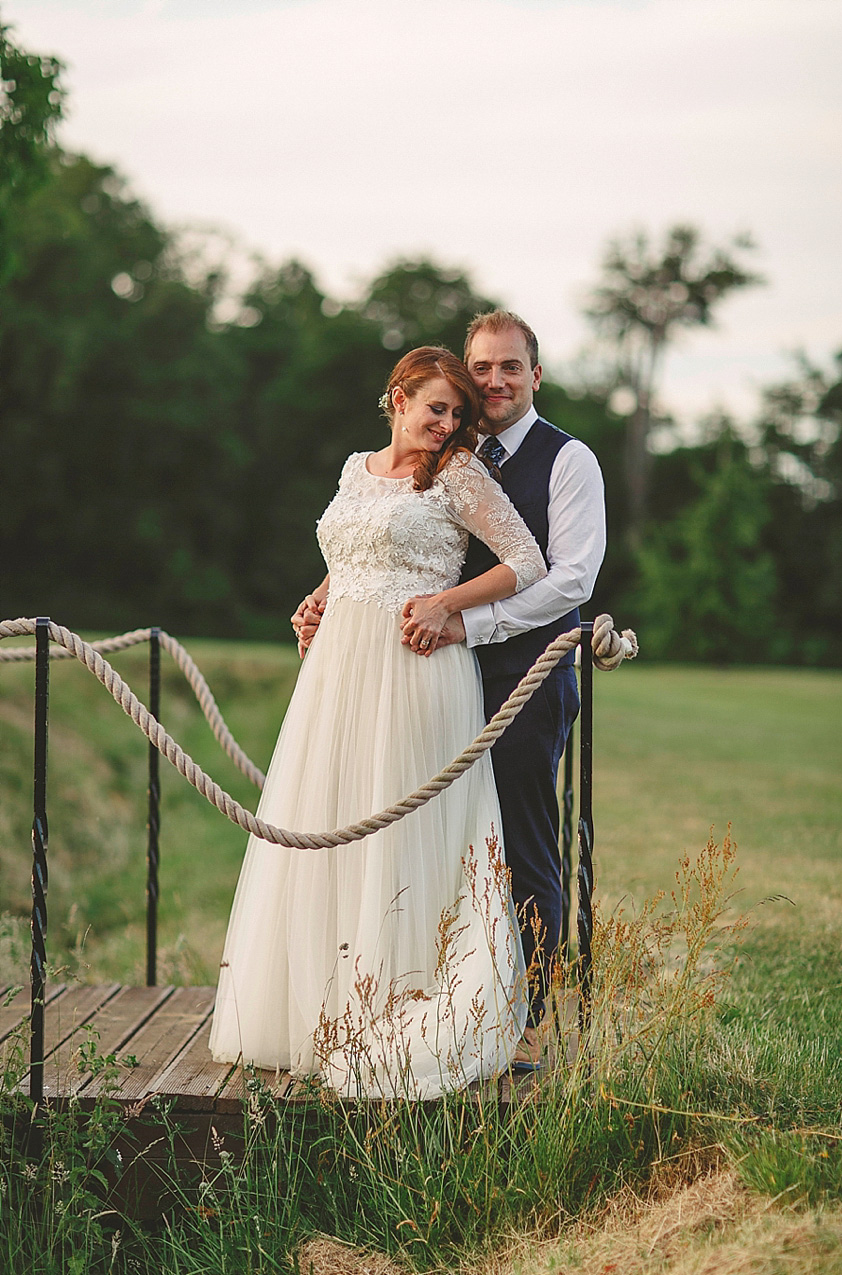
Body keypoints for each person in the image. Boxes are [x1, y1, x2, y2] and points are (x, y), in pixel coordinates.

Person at [209, 347, 547, 1098]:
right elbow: (353, 552)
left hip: (414, 672)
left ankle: (397, 1003)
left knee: (399, 824)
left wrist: (448, 604)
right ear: (398, 397)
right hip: (336, 671)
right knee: (331, 816)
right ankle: (316, 1009)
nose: (448, 423)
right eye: (437, 407)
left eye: (457, 413)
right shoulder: (354, 467)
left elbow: (524, 561)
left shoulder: (457, 473)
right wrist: (318, 598)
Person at [297, 312, 606, 1068]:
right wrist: (327, 595)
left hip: (523, 671)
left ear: (536, 374)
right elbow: (386, 538)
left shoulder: (569, 461)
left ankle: (526, 1016)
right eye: (481, 368)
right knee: (418, 832)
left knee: (517, 839)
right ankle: (391, 989)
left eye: (509, 367)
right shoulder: (448, 451)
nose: (492, 381)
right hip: (420, 673)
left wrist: (470, 623)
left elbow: (570, 574)